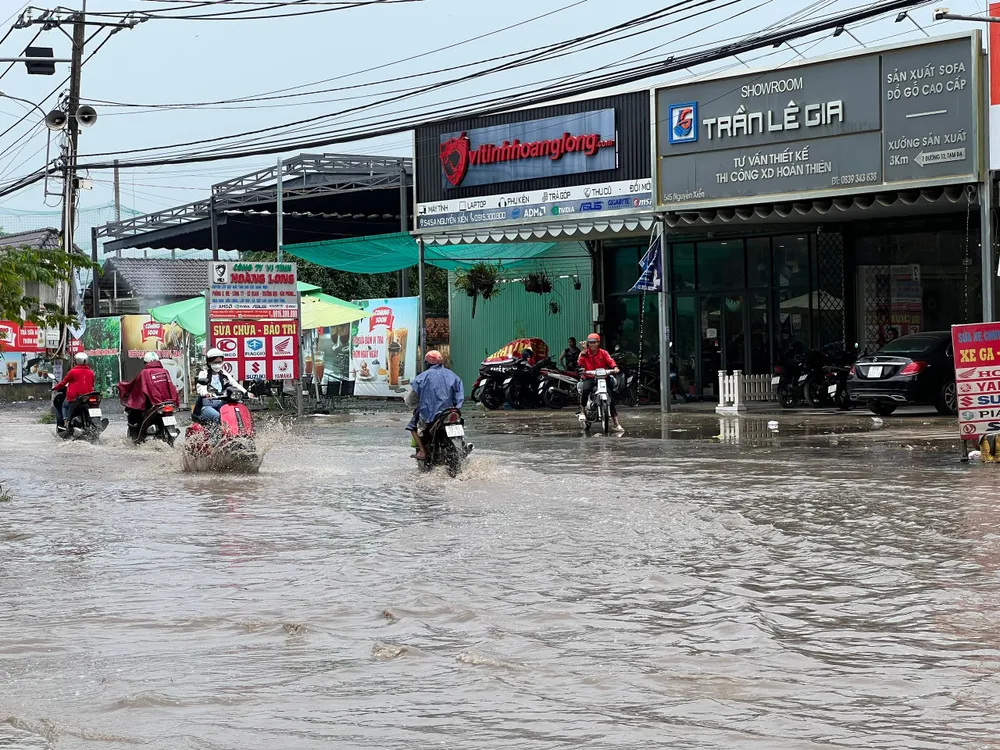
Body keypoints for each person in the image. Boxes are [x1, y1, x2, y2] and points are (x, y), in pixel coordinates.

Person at [406, 349, 464, 460]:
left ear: (427, 363)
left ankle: (422, 451)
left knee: (412, 427)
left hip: (430, 416)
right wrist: (456, 408)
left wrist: (411, 403)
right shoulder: (454, 376)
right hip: (450, 413)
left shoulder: (421, 378)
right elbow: (459, 397)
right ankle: (463, 446)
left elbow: (411, 399)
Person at [119, 352, 180, 440]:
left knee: (133, 414)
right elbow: (171, 387)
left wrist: (123, 386)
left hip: (152, 403)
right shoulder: (164, 371)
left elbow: (136, 387)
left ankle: (135, 438)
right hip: (166, 402)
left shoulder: (144, 373)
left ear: (145, 362)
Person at [576, 332, 624, 433]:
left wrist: (615, 367)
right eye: (590, 342)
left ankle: (616, 423)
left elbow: (610, 360)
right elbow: (580, 363)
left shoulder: (603, 352)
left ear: (598, 343)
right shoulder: (584, 353)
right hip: (589, 377)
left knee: (610, 396)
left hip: (602, 377)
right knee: (585, 390)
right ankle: (582, 411)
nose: (592, 344)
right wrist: (584, 352)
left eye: (594, 342)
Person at [195, 348, 251, 423]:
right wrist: (206, 393)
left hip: (223, 404)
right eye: (215, 362)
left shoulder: (224, 374)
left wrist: (246, 393)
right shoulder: (204, 374)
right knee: (217, 416)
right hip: (208, 405)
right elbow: (201, 387)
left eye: (219, 362)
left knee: (236, 414)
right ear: (209, 362)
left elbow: (235, 384)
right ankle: (216, 434)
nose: (217, 365)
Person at [52, 352, 96, 432]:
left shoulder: (73, 372)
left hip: (75, 397)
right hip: (88, 396)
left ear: (76, 361)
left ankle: (66, 422)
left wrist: (55, 387)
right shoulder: (91, 372)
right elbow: (92, 384)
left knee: (64, 406)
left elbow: (63, 383)